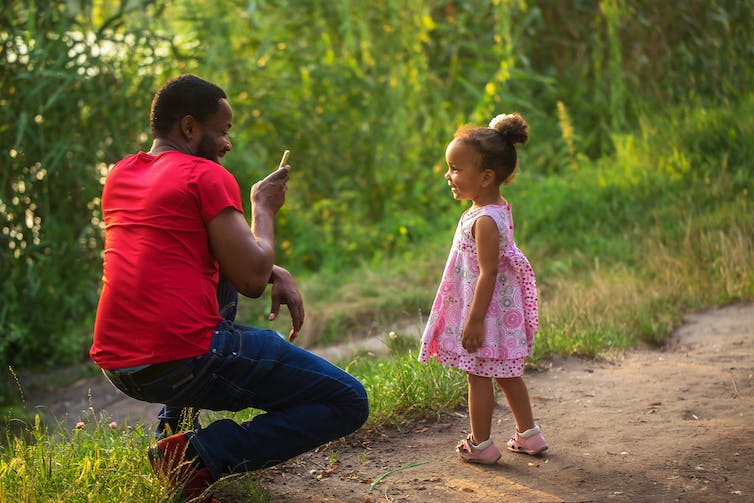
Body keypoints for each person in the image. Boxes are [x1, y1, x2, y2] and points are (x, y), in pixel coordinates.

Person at [90, 74, 369, 500]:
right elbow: (252, 281)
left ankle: (174, 428)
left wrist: (274, 267)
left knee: (220, 282)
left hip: (120, 364)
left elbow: (196, 255)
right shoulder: (204, 175)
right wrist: (264, 207)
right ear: (189, 128)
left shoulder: (121, 173)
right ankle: (195, 456)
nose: (227, 143)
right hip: (184, 357)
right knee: (348, 400)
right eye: (222, 131)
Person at [418, 112, 547, 464]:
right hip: (501, 311)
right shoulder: (491, 209)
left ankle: (480, 444)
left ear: (486, 177)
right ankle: (529, 435)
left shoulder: (485, 220)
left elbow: (487, 274)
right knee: (508, 374)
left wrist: (473, 322)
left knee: (478, 377)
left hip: (487, 314)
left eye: (456, 169)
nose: (448, 175)